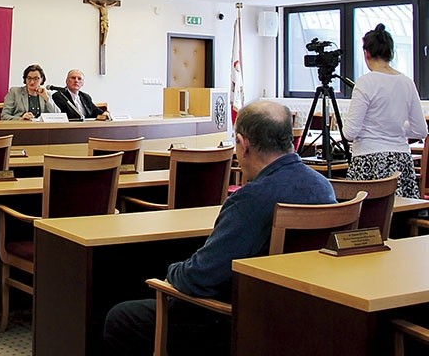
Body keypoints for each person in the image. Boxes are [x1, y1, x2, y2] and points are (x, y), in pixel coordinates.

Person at [103, 100, 337, 356]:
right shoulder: (322, 186)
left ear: (242, 143)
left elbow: (200, 279)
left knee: (121, 317)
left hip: (240, 319)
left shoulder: (252, 198)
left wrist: (170, 274)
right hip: (306, 315)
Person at [343, 23, 427, 198]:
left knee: (371, 218)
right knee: (399, 219)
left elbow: (350, 132)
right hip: (401, 160)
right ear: (391, 53)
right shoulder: (407, 82)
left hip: (369, 158)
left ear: (366, 53)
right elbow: (421, 130)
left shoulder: (366, 82)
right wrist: (397, 127)